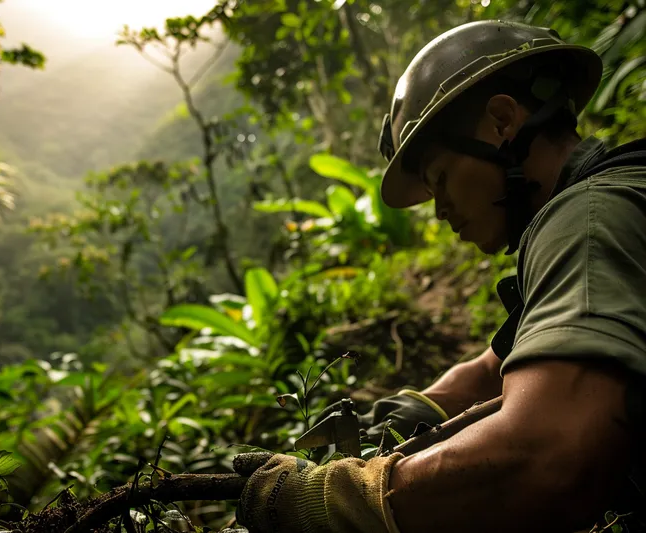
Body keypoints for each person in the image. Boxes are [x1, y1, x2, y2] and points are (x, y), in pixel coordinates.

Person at [235, 20, 646, 533]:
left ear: (502, 122)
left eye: (440, 179)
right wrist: (400, 418)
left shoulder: (587, 222)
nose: (440, 211)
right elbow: (488, 371)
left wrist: (347, 501)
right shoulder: (606, 203)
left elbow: (549, 452)